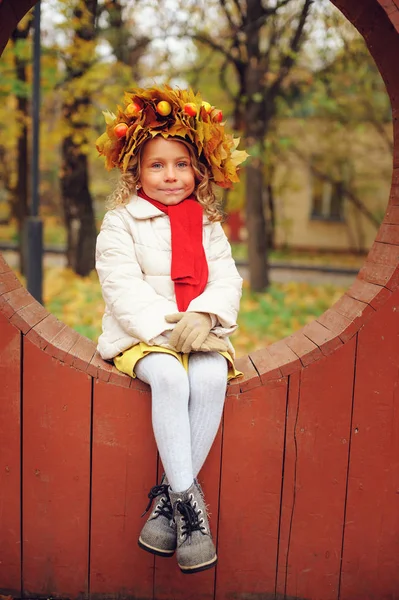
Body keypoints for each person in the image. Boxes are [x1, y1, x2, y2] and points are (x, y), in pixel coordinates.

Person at [95, 86, 248, 575]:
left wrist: (204, 317)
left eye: (180, 164)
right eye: (157, 165)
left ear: (197, 170)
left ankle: (167, 508)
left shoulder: (207, 224)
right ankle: (188, 503)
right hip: (141, 337)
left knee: (206, 378)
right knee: (170, 377)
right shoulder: (121, 223)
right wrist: (170, 334)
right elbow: (123, 289)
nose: (170, 176)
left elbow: (226, 279)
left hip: (201, 330)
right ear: (136, 171)